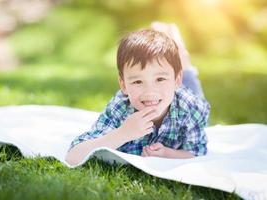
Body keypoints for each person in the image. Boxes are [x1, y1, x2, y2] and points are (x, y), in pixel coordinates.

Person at [65, 22, 210, 166]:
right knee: (166, 67)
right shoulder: (120, 108)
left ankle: (180, 50)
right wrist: (122, 133)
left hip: (184, 91)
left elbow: (196, 152)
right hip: (172, 86)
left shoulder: (191, 107)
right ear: (123, 85)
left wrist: (167, 154)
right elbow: (72, 157)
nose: (149, 91)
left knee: (187, 73)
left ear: (176, 80)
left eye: (160, 79)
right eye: (137, 82)